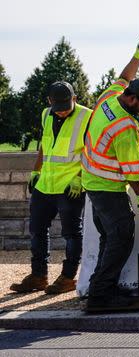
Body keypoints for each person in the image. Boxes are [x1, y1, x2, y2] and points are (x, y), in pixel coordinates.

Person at [80, 35, 139, 309]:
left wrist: (138, 54)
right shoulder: (125, 128)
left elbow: (125, 76)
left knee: (110, 236)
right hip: (107, 187)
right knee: (122, 234)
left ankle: (99, 290)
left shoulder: (109, 96)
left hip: (93, 181)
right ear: (132, 98)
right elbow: (131, 171)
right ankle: (100, 297)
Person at [9, 82, 92, 295]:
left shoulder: (88, 117)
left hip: (69, 186)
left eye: (67, 105)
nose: (63, 110)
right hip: (45, 184)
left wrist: (80, 178)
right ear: (50, 102)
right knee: (37, 230)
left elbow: (92, 152)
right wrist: (36, 172)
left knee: (72, 234)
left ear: (75, 98)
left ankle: (67, 278)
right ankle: (39, 276)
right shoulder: (46, 114)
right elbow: (45, 146)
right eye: (59, 106)